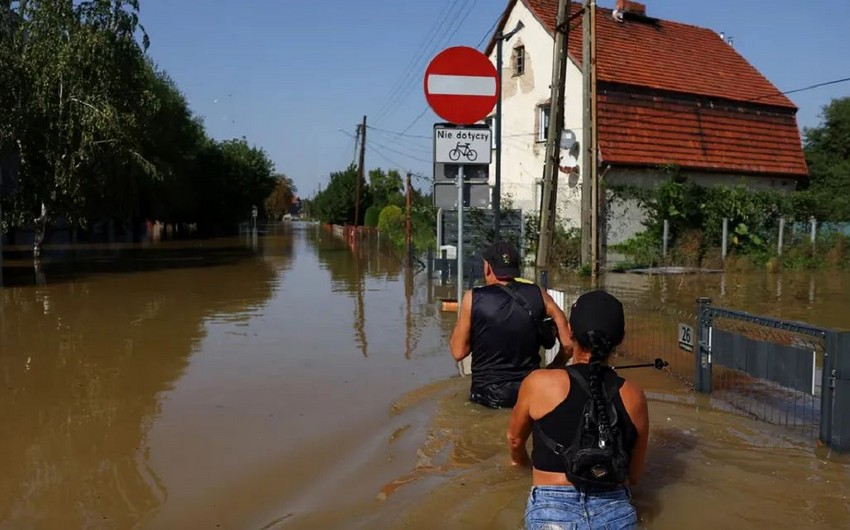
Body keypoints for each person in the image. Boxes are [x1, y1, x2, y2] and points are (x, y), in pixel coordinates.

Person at [507, 289, 649, 530]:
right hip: (616, 512)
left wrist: (520, 463)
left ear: (570, 331)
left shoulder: (539, 382)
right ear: (620, 338)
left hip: (551, 512)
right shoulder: (635, 395)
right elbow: (633, 477)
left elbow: (514, 440)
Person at [449, 240, 572, 409]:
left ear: (487, 267)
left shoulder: (473, 298)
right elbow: (568, 345)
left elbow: (458, 352)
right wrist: (552, 368)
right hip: (530, 393)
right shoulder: (540, 295)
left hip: (485, 397)